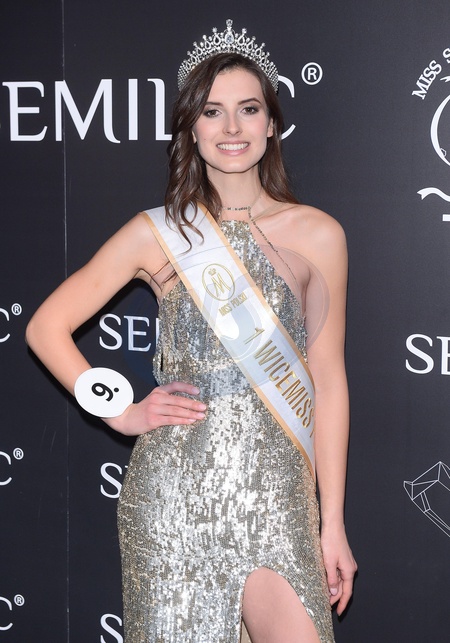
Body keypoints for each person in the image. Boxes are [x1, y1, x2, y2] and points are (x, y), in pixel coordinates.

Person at [26, 19, 357, 643]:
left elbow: (329, 381)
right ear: (191, 128)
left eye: (248, 109)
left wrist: (332, 521)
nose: (232, 128)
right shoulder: (156, 233)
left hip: (279, 499)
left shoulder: (320, 235)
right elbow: (46, 327)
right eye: (212, 112)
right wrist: (122, 411)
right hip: (173, 499)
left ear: (271, 123)